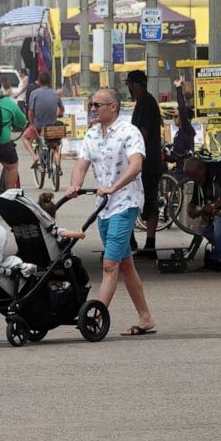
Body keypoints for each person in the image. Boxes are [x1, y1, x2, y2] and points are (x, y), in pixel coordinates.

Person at [66, 88, 157, 337]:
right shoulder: (92, 134)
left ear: (113, 107)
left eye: (97, 104)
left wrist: (114, 187)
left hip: (125, 202)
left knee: (109, 265)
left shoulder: (129, 132)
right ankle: (146, 318)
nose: (92, 109)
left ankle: (94, 317)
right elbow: (81, 165)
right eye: (91, 105)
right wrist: (74, 184)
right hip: (104, 207)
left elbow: (136, 165)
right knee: (125, 264)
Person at [126, 70, 164, 256]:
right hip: (146, 161)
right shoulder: (144, 103)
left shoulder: (146, 103)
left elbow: (143, 133)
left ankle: (149, 245)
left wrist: (132, 155)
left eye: (129, 84)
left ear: (133, 85)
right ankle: (138, 242)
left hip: (146, 163)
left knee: (145, 201)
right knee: (142, 201)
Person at [28, 72, 66, 171]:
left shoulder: (34, 93)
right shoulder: (55, 94)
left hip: (39, 126)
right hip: (52, 127)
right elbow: (62, 109)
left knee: (25, 138)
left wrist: (31, 123)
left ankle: (34, 157)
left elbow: (31, 112)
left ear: (39, 82)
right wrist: (59, 114)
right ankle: (57, 164)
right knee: (55, 143)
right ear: (50, 82)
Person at [170, 76, 196, 179]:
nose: (174, 119)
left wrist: (178, 87)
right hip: (179, 169)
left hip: (185, 172)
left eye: (176, 116)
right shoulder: (179, 132)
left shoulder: (186, 128)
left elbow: (182, 107)